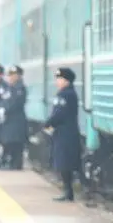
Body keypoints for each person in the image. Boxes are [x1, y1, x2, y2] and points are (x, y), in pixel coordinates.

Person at [44, 67, 82, 201]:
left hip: (65, 134)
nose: (57, 82)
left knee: (65, 164)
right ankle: (67, 192)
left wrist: (48, 123)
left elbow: (59, 113)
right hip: (64, 133)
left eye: (60, 79)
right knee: (64, 163)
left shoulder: (66, 95)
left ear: (67, 81)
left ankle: (68, 193)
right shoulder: (67, 93)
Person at [0, 65, 28, 170]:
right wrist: (1, 108)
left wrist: (5, 109)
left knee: (17, 144)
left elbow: (16, 103)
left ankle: (17, 164)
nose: (11, 78)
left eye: (14, 75)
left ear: (19, 76)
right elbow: (3, 100)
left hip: (17, 120)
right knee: (9, 142)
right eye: (10, 75)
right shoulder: (9, 88)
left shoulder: (20, 88)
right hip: (9, 121)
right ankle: (11, 163)